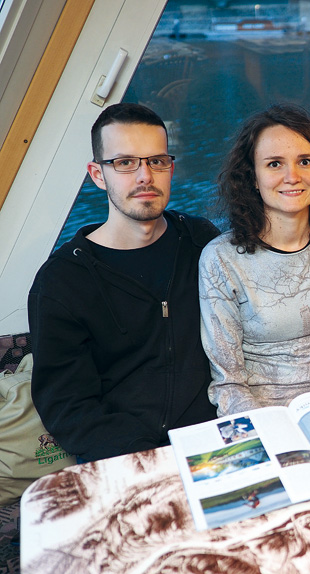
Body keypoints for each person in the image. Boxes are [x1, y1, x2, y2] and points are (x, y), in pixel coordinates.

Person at [28, 103, 219, 462]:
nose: (145, 176)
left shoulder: (202, 243)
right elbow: (68, 407)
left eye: (156, 161)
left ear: (170, 168)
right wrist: (149, 460)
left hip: (218, 439)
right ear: (98, 175)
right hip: (126, 458)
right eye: (125, 162)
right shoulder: (62, 282)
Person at [199, 105, 310, 415]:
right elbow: (228, 383)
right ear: (253, 177)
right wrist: (270, 429)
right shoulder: (220, 259)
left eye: (305, 161)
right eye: (274, 164)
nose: (292, 177)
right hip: (262, 415)